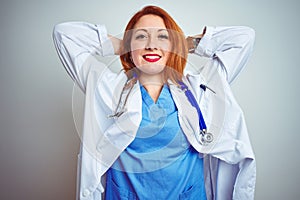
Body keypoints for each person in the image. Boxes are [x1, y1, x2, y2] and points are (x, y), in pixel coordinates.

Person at [53, 5, 256, 200]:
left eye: (162, 36)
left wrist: (186, 45)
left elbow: (244, 38)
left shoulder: (199, 88)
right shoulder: (107, 87)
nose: (151, 45)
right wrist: (122, 45)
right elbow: (64, 34)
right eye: (141, 36)